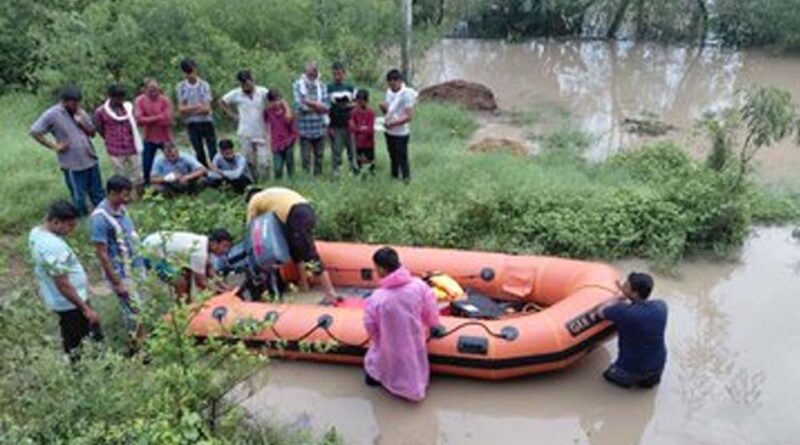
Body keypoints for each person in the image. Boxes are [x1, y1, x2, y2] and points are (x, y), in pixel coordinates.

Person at [363, 247, 440, 402]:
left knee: (375, 368)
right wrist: (433, 325)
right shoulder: (419, 286)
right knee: (414, 364)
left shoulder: (378, 298)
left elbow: (370, 326)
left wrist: (378, 342)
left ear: (382, 269)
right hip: (414, 338)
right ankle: (415, 388)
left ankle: (392, 385)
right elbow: (430, 310)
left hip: (390, 344)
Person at [29, 200, 103, 358]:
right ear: (55, 221)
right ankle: (94, 370)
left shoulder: (36, 233)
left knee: (72, 337)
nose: (72, 230)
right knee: (86, 340)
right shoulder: (52, 246)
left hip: (65, 300)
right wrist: (86, 309)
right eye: (70, 225)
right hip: (71, 304)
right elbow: (63, 284)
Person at [246, 187, 337, 302]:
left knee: (309, 254)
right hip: (305, 210)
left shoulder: (254, 200)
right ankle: (304, 283)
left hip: (296, 214)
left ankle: (330, 292)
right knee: (296, 249)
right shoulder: (271, 196)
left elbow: (251, 228)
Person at [89, 175, 147, 349]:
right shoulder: (100, 218)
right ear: (112, 193)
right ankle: (137, 346)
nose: (127, 198)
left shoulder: (121, 209)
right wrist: (117, 282)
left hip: (136, 266)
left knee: (142, 307)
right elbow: (102, 253)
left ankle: (144, 339)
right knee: (133, 311)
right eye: (124, 195)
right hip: (122, 273)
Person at [29, 85, 104, 215]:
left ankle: (103, 215)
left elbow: (92, 133)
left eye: (78, 103)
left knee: (98, 192)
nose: (77, 106)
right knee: (78, 196)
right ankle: (80, 220)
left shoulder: (80, 112)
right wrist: (54, 146)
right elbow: (34, 131)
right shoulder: (52, 114)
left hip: (90, 158)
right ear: (64, 101)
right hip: (72, 163)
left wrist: (82, 123)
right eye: (74, 103)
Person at [594, 272, 668, 389]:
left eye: (626, 285)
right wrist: (627, 294)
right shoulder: (661, 306)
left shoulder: (624, 312)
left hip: (630, 370)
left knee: (604, 380)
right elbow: (638, 309)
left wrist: (618, 297)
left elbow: (599, 311)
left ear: (634, 293)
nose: (622, 285)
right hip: (657, 369)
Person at [142, 229, 234, 302]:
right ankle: (182, 312)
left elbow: (209, 269)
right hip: (151, 251)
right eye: (224, 246)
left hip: (157, 246)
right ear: (214, 243)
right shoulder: (199, 252)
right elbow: (201, 284)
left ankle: (186, 304)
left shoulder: (204, 243)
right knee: (180, 282)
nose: (225, 250)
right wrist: (223, 293)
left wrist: (225, 286)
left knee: (187, 273)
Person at [220, 69, 270, 180]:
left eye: (247, 83)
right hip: (245, 132)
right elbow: (223, 101)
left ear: (252, 80)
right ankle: (253, 180)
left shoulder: (262, 92)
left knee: (264, 162)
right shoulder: (236, 93)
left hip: (261, 131)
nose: (245, 86)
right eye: (242, 84)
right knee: (249, 161)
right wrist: (232, 115)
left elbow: (273, 100)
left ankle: (265, 182)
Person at [94, 84, 143, 186]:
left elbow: (134, 123)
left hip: (132, 146)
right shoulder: (101, 111)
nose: (120, 100)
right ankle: (124, 197)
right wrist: (110, 138)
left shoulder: (128, 108)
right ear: (111, 97)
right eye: (117, 97)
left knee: (138, 174)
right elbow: (100, 128)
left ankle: (139, 195)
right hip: (114, 148)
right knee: (121, 176)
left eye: (122, 97)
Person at [177, 58, 216, 167]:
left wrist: (189, 109)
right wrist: (197, 107)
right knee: (198, 150)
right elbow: (181, 109)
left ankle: (216, 170)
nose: (190, 75)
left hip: (206, 121)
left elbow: (206, 109)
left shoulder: (204, 85)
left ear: (195, 70)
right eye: (187, 73)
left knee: (212, 149)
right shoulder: (181, 87)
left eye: (191, 71)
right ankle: (203, 171)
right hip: (191, 123)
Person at [380, 69, 417, 182]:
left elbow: (409, 116)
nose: (392, 87)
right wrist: (383, 108)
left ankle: (406, 180)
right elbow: (388, 110)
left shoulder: (407, 94)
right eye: (390, 84)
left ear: (400, 81)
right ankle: (394, 178)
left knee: (402, 158)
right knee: (392, 157)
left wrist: (394, 123)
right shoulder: (389, 92)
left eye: (394, 84)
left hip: (401, 133)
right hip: (389, 131)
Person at [135, 78, 173, 186]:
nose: (154, 93)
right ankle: (147, 185)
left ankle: (171, 182)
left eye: (156, 90)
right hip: (148, 137)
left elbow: (167, 119)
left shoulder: (165, 100)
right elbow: (139, 119)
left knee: (172, 159)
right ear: (145, 90)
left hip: (165, 136)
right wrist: (158, 117)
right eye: (151, 90)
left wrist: (149, 119)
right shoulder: (140, 100)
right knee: (147, 164)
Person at [293, 62, 329, 176]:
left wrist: (309, 102)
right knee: (305, 157)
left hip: (320, 127)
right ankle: (306, 178)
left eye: (314, 70)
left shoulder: (322, 86)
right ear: (306, 71)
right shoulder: (298, 85)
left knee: (319, 156)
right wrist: (318, 106)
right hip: (304, 128)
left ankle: (318, 177)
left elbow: (326, 107)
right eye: (310, 70)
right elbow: (300, 106)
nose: (312, 72)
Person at [327, 62, 356, 176]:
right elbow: (327, 108)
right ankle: (336, 171)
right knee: (336, 149)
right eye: (334, 74)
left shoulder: (350, 87)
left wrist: (348, 105)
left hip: (349, 123)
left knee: (352, 149)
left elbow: (356, 104)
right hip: (336, 123)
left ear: (344, 74)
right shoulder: (329, 88)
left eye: (339, 74)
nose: (337, 77)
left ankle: (353, 169)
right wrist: (329, 126)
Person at [265, 89, 297, 179]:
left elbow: (293, 127)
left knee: (290, 164)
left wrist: (286, 107)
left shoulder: (287, 112)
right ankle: (278, 184)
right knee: (277, 168)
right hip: (276, 143)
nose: (276, 103)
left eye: (278, 100)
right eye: (273, 101)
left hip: (288, 141)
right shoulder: (268, 112)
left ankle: (292, 183)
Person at [349, 89, 376, 174]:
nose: (360, 104)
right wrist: (362, 128)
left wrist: (359, 129)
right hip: (357, 143)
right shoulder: (353, 113)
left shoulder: (371, 112)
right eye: (358, 101)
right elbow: (352, 128)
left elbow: (370, 130)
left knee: (369, 163)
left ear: (366, 101)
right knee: (358, 162)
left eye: (362, 101)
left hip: (368, 143)